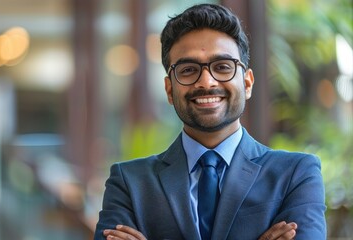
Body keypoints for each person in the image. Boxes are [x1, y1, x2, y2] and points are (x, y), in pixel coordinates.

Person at [94, 3, 326, 240]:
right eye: (187, 70)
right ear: (169, 89)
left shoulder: (296, 175)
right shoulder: (129, 182)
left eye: (223, 67)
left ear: (247, 83)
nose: (206, 82)